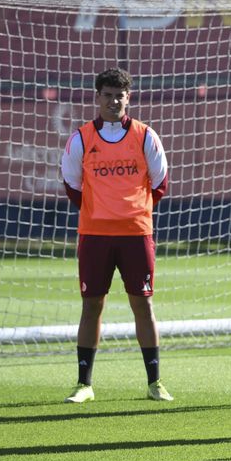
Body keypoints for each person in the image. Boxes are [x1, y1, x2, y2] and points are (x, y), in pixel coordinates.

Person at [60, 67, 171, 403]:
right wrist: (100, 212)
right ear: (97, 97)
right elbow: (72, 185)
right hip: (94, 235)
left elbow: (160, 182)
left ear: (128, 97)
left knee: (143, 303)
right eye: (107, 95)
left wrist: (131, 213)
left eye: (119, 95)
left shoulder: (145, 135)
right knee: (91, 305)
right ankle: (84, 384)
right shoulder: (80, 138)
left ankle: (155, 382)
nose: (113, 101)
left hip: (136, 234)